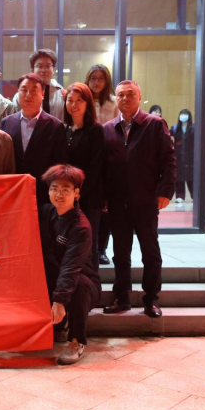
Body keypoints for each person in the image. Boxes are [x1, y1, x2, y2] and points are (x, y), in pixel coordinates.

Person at [102, 80, 176, 318]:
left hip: (145, 200)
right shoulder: (107, 129)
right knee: (120, 253)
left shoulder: (154, 124)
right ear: (116, 98)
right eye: (120, 95)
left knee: (150, 252)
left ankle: (151, 299)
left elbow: (168, 160)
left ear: (140, 97)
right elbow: (103, 168)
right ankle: (121, 298)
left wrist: (165, 191)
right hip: (117, 202)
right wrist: (104, 196)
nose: (125, 98)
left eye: (130, 94)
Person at [39, 164, 101, 365]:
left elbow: (71, 268)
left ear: (76, 194)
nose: (59, 194)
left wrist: (59, 302)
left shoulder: (80, 227)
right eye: (54, 188)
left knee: (79, 284)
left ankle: (76, 341)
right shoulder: (45, 212)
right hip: (52, 277)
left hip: (81, 283)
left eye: (65, 189)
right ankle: (58, 326)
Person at [0, 73, 67, 207]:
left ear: (42, 94)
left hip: (43, 195)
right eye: (24, 90)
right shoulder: (7, 123)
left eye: (34, 90)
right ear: (18, 93)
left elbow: (60, 165)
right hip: (13, 192)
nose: (28, 95)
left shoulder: (56, 126)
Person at [64, 83, 105, 268]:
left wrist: (79, 192)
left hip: (89, 196)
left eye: (79, 100)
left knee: (89, 243)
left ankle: (92, 282)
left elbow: (96, 167)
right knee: (71, 244)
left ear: (87, 103)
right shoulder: (65, 130)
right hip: (68, 197)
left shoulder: (96, 130)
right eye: (70, 100)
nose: (74, 105)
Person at [85, 64, 117, 266]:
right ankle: (89, 247)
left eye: (101, 78)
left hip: (109, 158)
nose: (96, 82)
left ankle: (102, 248)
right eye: (93, 78)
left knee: (105, 208)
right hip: (88, 158)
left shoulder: (114, 103)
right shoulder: (83, 100)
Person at [12, 49, 65, 121]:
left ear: (53, 69)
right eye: (39, 66)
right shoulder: (20, 96)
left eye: (48, 66)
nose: (44, 70)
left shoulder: (63, 94)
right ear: (32, 70)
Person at [170, 109, 194, 204]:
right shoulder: (175, 128)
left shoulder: (194, 128)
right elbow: (167, 136)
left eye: (185, 114)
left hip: (190, 157)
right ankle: (180, 196)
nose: (183, 116)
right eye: (182, 114)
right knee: (179, 177)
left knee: (191, 177)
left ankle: (194, 196)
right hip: (178, 156)